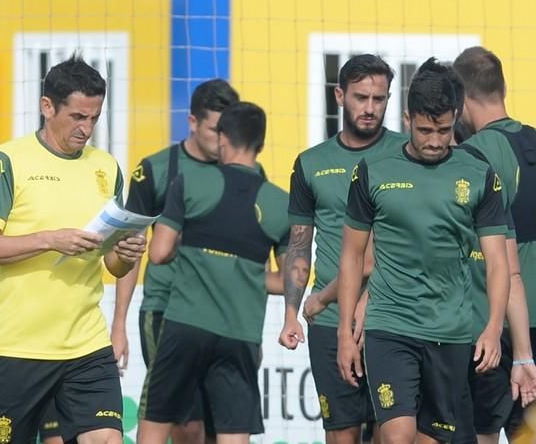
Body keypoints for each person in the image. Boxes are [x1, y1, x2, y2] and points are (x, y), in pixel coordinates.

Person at [0, 54, 146, 444]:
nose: (87, 129)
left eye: (95, 118)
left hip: (86, 345)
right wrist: (50, 239)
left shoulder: (107, 167)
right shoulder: (8, 160)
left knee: (107, 439)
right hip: (18, 347)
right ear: (48, 107)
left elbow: (113, 264)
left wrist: (126, 252)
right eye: (78, 117)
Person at [336, 58, 510, 444]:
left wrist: (494, 328)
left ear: (456, 118)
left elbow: (498, 262)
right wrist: (345, 334)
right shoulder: (373, 170)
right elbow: (351, 257)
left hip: (450, 332)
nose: (434, 141)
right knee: (397, 435)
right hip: (390, 325)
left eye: (444, 131)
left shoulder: (478, 174)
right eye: (425, 130)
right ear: (407, 118)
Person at [452, 46, 536, 442]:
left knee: (484, 429)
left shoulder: (473, 155)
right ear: (503, 87)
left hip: (495, 313)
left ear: (460, 100)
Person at [137, 101, 289, 444]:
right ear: (261, 144)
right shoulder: (280, 204)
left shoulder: (189, 181)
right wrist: (240, 272)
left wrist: (198, 257)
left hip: (185, 324)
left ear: (222, 139)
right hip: (240, 333)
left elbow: (158, 253)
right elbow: (287, 281)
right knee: (233, 434)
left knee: (156, 424)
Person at [278, 53, 405, 444]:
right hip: (332, 323)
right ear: (339, 95)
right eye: (360, 98)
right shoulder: (312, 163)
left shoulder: (406, 155)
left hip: (394, 318)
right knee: (341, 434)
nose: (370, 108)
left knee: (395, 432)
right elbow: (300, 244)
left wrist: (320, 298)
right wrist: (290, 313)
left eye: (379, 99)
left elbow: (392, 245)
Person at [112, 78, 240, 444]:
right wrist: (119, 324)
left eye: (228, 131)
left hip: (226, 317)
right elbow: (129, 248)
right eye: (216, 130)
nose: (222, 140)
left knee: (222, 424)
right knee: (186, 424)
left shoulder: (242, 170)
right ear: (193, 122)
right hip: (165, 312)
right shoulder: (155, 170)